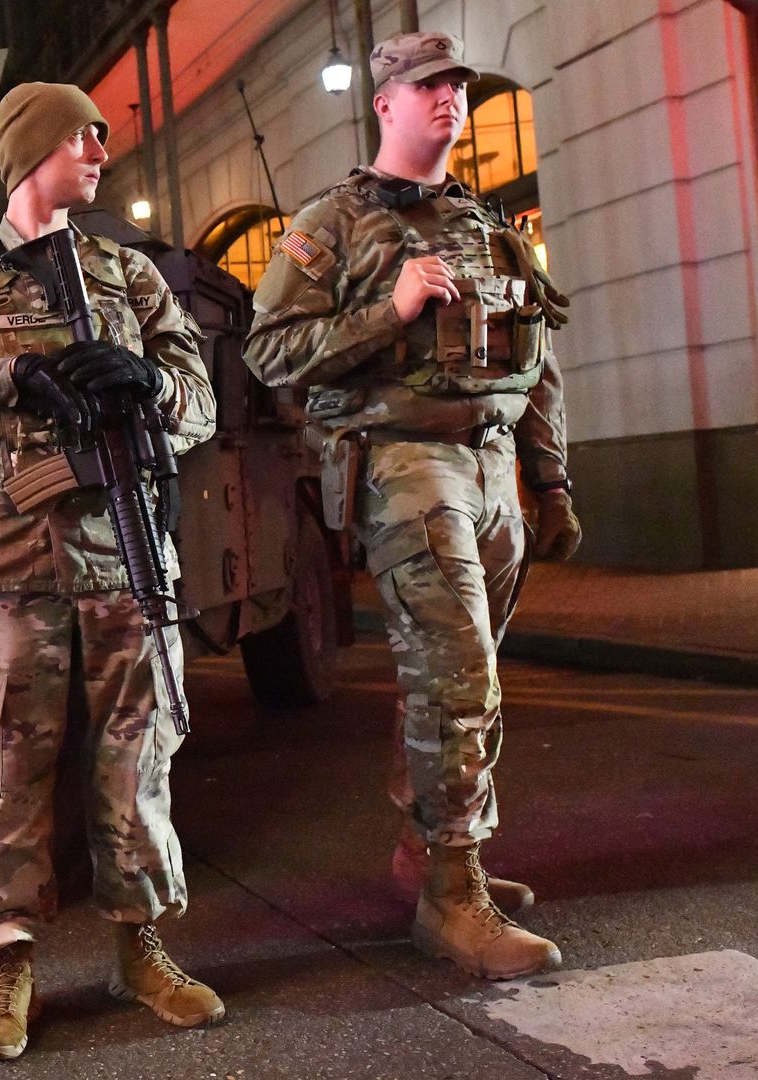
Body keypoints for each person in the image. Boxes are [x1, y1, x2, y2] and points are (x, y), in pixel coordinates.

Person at [0, 81, 223, 1061]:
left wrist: (151, 385)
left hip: (125, 548)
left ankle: (140, 945)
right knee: (4, 756)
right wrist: (11, 375)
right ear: (31, 149)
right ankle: (8, 968)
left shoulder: (129, 274)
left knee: (140, 744)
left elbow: (198, 401)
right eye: (85, 135)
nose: (103, 150)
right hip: (6, 558)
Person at [243, 32, 581, 981]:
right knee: (455, 676)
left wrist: (550, 481)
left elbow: (537, 359)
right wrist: (384, 313)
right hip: (405, 469)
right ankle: (453, 895)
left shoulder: (486, 224)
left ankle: (428, 852)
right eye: (428, 85)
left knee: (457, 676)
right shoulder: (333, 225)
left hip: (491, 470)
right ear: (385, 102)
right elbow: (269, 355)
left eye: (459, 85)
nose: (449, 97)